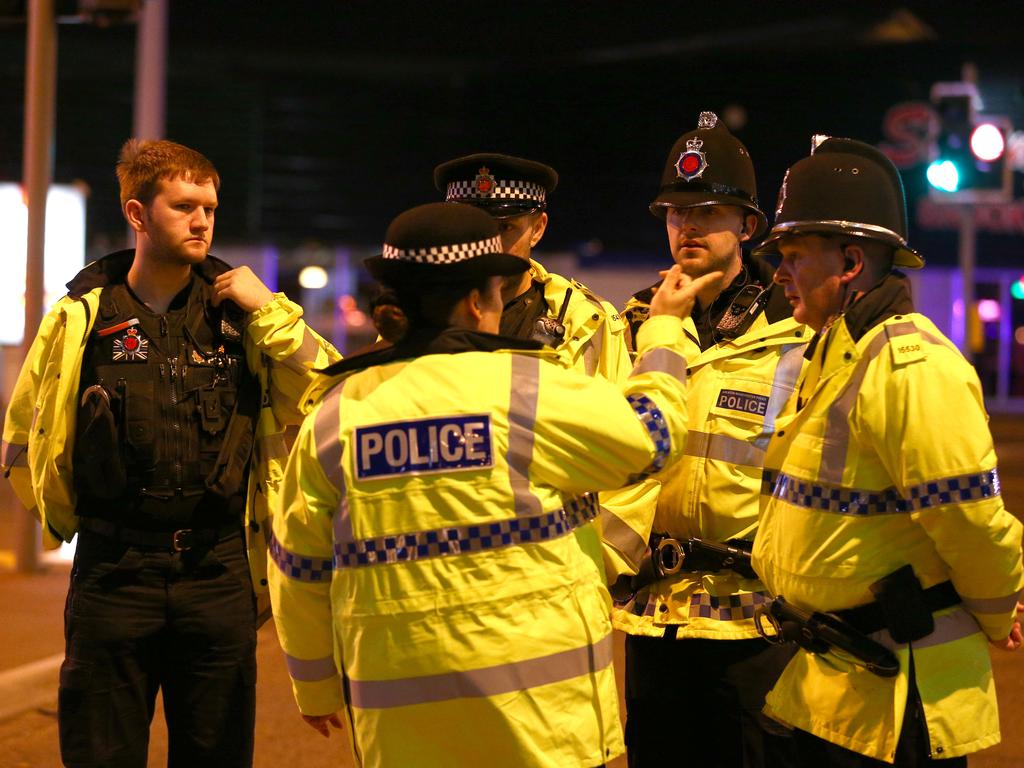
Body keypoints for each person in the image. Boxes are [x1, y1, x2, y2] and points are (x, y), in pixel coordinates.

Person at [267, 201, 720, 768]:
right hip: (542, 727)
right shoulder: (529, 388)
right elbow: (651, 437)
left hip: (400, 731)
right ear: (480, 300)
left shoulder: (336, 414)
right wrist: (664, 329)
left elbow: (298, 570)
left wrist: (314, 687)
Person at [1, 138, 340, 767]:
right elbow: (25, 433)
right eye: (184, 206)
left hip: (218, 573)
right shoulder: (82, 318)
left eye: (209, 207)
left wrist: (270, 310)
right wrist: (58, 520)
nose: (203, 220)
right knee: (101, 753)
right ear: (137, 214)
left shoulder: (245, 317)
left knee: (217, 754)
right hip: (113, 572)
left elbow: (333, 390)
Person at [751, 135, 1024, 766]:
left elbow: (970, 522)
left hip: (899, 696)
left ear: (850, 262)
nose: (780, 272)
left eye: (794, 255)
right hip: (839, 686)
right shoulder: (832, 353)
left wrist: (995, 611)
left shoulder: (912, 367)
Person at [602, 110, 805, 768]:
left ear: (748, 225)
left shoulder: (795, 327)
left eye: (707, 212)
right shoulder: (636, 322)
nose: (686, 226)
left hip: (762, 619)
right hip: (655, 613)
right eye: (675, 211)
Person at [433, 152, 631, 381]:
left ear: (537, 229)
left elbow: (620, 414)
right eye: (471, 228)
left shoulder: (586, 318)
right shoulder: (416, 312)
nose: (487, 244)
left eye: (504, 228)